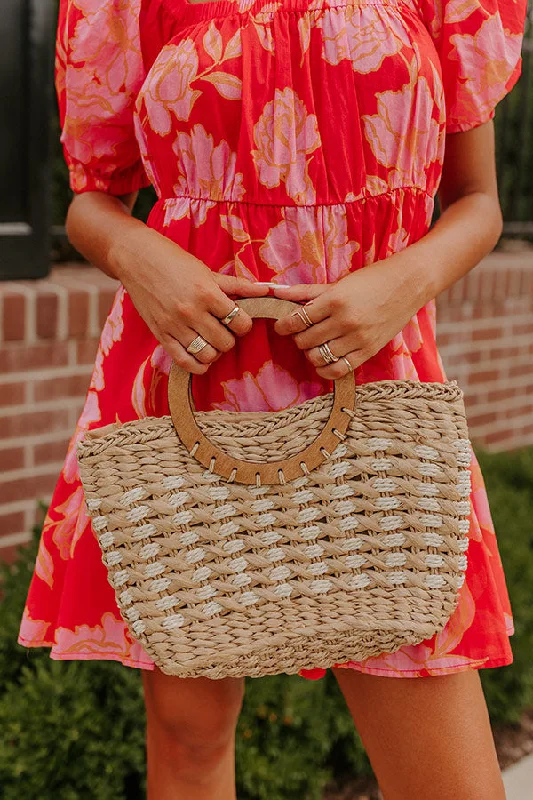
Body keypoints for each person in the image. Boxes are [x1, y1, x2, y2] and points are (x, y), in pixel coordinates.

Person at [19, 0, 527, 797]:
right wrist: (136, 252)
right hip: (187, 381)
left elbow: (478, 201)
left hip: (370, 385)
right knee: (188, 738)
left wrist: (402, 283)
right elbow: (92, 197)